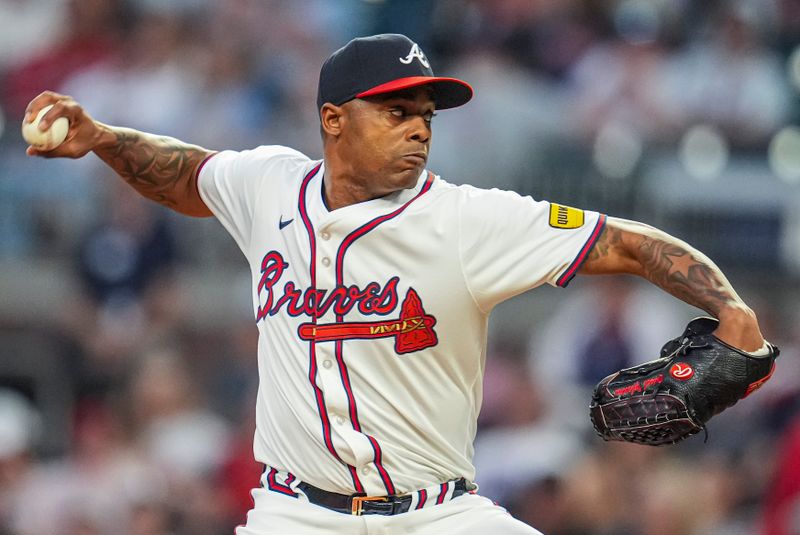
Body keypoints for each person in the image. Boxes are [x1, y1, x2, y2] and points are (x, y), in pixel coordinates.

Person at [24, 34, 768, 535]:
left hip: (439, 516)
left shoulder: (469, 219)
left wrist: (728, 307)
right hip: (297, 516)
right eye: (397, 110)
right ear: (333, 120)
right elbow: (185, 172)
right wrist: (103, 140)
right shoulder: (268, 187)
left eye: (425, 115)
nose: (420, 128)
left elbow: (626, 242)